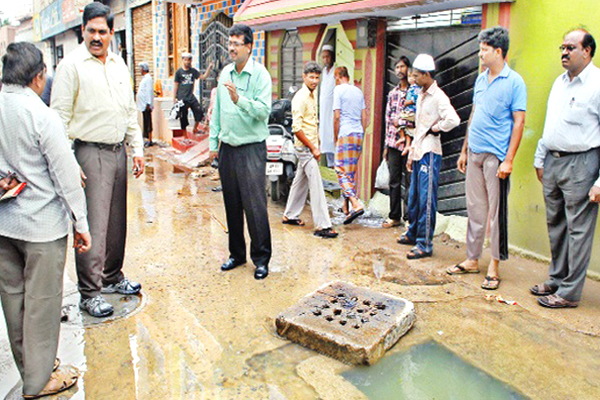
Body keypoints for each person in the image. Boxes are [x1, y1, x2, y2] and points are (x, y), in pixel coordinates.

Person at [0, 42, 91, 399]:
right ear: (39, 76)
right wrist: (80, 223)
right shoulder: (40, 114)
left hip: (4, 223)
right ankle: (37, 383)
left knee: (14, 300)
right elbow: (66, 175)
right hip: (41, 226)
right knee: (41, 303)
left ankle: (33, 367)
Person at [51, 2, 144, 318]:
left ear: (111, 32)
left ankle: (112, 277)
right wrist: (69, 161)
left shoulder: (118, 63)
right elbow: (59, 119)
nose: (96, 37)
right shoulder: (71, 66)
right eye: (90, 31)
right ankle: (89, 293)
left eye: (102, 31)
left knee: (117, 222)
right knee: (92, 224)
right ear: (82, 31)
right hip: (89, 154)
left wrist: (138, 149)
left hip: (118, 152)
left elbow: (130, 111)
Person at [446, 27, 527, 290]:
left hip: (496, 158)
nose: (480, 53)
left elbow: (519, 122)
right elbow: (473, 114)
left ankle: (494, 264)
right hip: (475, 154)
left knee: (496, 214)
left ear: (498, 51)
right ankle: (472, 259)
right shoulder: (481, 80)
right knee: (476, 210)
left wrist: (509, 159)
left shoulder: (515, 82)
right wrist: (463, 150)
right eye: (480, 48)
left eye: (484, 49)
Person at [531, 29, 600, 308]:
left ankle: (569, 292)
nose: (564, 52)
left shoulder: (597, 84)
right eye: (562, 47)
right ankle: (557, 278)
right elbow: (551, 123)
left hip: (582, 164)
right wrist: (540, 157)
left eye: (571, 47)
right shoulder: (559, 83)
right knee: (556, 224)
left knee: (578, 229)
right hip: (553, 161)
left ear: (587, 51)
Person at [209, 24, 272, 280]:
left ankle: (261, 259)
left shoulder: (260, 76)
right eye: (230, 43)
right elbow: (218, 111)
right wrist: (214, 145)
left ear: (249, 46)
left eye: (236, 43)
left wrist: (240, 101)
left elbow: (263, 111)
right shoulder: (226, 72)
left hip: (251, 149)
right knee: (231, 204)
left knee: (255, 206)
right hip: (228, 150)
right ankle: (236, 254)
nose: (231, 47)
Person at [398, 54, 460, 259]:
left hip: (430, 153)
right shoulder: (420, 93)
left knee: (426, 199)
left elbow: (453, 119)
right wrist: (411, 152)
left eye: (416, 75)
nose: (413, 79)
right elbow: (417, 126)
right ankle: (413, 233)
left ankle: (425, 243)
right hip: (418, 151)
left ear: (426, 74)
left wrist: (437, 128)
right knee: (414, 196)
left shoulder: (439, 96)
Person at [282, 61, 338, 238]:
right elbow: (296, 128)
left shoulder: (313, 94)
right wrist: (313, 147)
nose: (314, 80)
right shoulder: (301, 97)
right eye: (311, 77)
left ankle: (290, 214)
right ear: (304, 77)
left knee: (300, 181)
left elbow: (311, 123)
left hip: (310, 146)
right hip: (305, 149)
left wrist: (318, 142)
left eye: (317, 77)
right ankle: (322, 225)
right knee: (316, 185)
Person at [333, 66, 368, 225]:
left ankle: (355, 203)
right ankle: (346, 207)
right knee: (350, 172)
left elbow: (337, 117)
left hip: (345, 133)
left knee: (340, 169)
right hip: (358, 134)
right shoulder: (358, 91)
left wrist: (336, 137)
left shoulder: (338, 90)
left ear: (338, 76)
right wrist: (361, 132)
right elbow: (364, 117)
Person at [382, 56, 413, 229]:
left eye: (403, 66)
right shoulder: (392, 94)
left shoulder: (414, 92)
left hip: (409, 144)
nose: (400, 70)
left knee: (409, 182)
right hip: (394, 143)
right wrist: (386, 147)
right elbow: (388, 120)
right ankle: (394, 216)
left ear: (408, 69)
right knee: (394, 181)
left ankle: (408, 217)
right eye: (397, 67)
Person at [174, 53, 213, 133]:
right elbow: (176, 85)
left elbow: (203, 77)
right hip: (182, 98)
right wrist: (174, 98)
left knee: (199, 112)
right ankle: (185, 136)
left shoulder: (193, 71)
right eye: (185, 60)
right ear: (183, 60)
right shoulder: (179, 72)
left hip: (191, 97)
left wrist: (208, 68)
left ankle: (195, 129)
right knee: (183, 117)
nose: (187, 62)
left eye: (189, 60)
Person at [319, 44, 336, 167]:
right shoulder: (324, 72)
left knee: (332, 135)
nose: (325, 60)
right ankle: (330, 164)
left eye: (327, 57)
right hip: (324, 109)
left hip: (332, 108)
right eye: (323, 57)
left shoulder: (336, 70)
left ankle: (334, 164)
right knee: (324, 136)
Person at [137, 62, 154, 147]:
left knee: (148, 122)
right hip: (143, 105)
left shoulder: (148, 79)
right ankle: (147, 139)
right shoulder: (145, 78)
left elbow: (148, 91)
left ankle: (150, 139)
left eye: (141, 68)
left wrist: (148, 103)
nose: (140, 70)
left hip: (146, 105)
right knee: (145, 122)